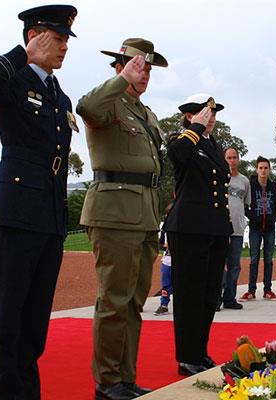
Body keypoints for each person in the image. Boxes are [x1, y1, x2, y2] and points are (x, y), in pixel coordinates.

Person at [0, 5, 78, 399]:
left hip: (47, 216)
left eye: (66, 40)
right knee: (8, 320)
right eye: (59, 38)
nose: (65, 47)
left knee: (33, 323)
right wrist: (24, 54)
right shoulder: (13, 79)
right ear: (36, 35)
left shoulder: (58, 95)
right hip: (14, 213)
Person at [77, 38, 167, 400]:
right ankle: (107, 381)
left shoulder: (145, 113)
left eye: (147, 68)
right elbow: (86, 106)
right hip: (113, 213)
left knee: (133, 301)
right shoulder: (109, 102)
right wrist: (122, 78)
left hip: (144, 214)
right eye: (137, 66)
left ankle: (125, 378)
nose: (144, 74)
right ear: (120, 66)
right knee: (113, 299)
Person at [164, 94, 232, 376]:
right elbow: (177, 155)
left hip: (214, 228)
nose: (211, 117)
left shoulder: (212, 145)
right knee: (189, 294)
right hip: (189, 227)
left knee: (208, 295)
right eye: (206, 113)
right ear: (190, 115)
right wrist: (194, 128)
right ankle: (186, 356)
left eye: (214, 113)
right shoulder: (184, 140)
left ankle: (199, 351)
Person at [240, 156, 276, 301]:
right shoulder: (251, 186)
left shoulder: (274, 187)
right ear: (257, 170)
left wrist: (273, 217)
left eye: (266, 168)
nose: (263, 171)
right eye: (261, 168)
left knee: (269, 259)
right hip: (255, 227)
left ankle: (268, 290)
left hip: (270, 227)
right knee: (254, 259)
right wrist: (254, 217)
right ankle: (251, 290)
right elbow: (244, 206)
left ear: (269, 170)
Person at [220, 148, 250, 310]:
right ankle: (216, 297)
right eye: (229, 158)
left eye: (234, 157)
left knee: (234, 265)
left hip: (237, 228)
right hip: (220, 229)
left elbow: (245, 202)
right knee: (218, 264)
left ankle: (230, 298)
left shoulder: (244, 181)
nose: (232, 161)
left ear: (238, 159)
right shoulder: (219, 178)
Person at [155, 204, 174, 316]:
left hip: (180, 260)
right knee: (166, 283)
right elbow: (161, 243)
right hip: (167, 259)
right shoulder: (165, 229)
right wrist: (165, 245)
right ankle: (164, 304)